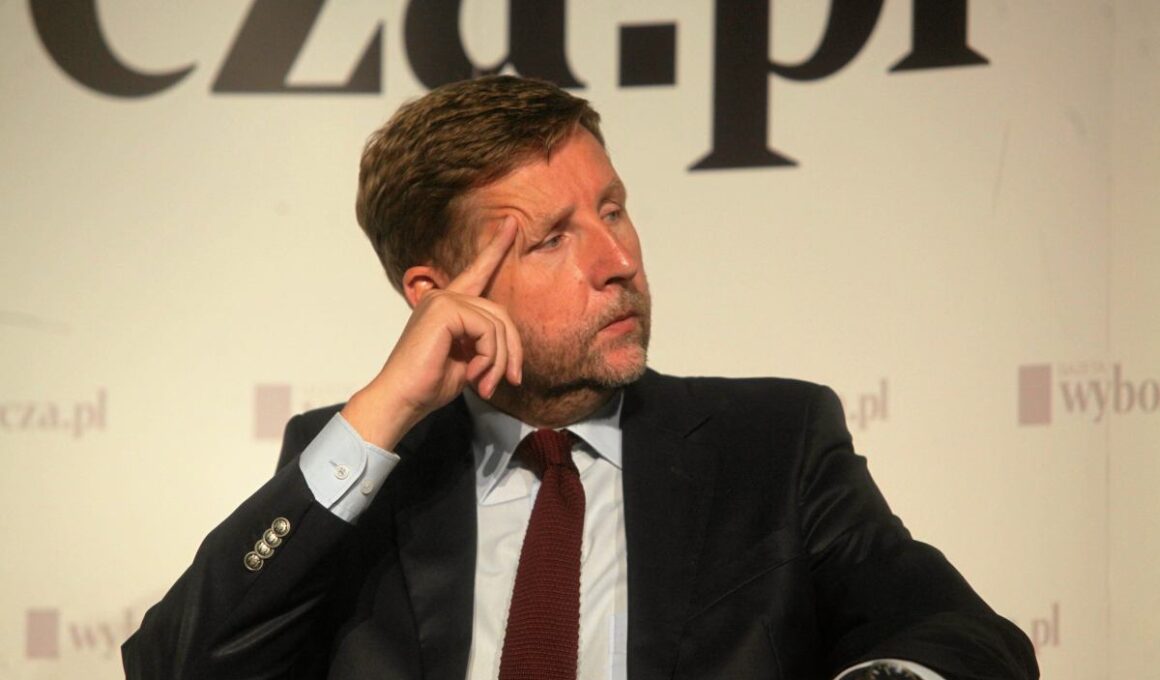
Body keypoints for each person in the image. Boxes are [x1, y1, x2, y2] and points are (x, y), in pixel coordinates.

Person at [122, 76, 1038, 680]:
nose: (617, 260)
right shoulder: (359, 470)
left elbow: (962, 636)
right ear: (438, 293)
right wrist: (384, 411)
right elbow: (178, 665)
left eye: (614, 210)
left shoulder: (772, 444)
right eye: (553, 238)